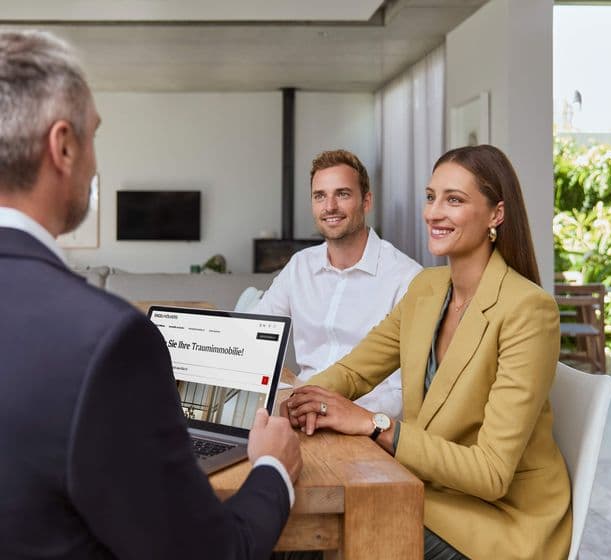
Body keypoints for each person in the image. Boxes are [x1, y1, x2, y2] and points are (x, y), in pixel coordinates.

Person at [0, 30, 301, 559]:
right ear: (63, 146)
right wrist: (275, 467)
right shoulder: (108, 340)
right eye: (94, 138)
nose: (95, 164)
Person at [285, 145, 573, 559]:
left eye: (454, 200)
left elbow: (491, 474)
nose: (433, 213)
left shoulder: (528, 310)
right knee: (290, 516)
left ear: (496, 214)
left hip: (498, 522)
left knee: (326, 530)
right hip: (429, 492)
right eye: (431, 196)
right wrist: (298, 401)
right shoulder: (427, 289)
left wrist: (372, 424)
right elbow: (354, 372)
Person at [251, 149, 421, 419]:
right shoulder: (300, 266)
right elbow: (255, 332)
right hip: (302, 412)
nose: (329, 206)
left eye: (342, 194)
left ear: (366, 202)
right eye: (320, 196)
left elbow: (405, 390)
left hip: (363, 426)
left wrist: (340, 414)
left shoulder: (407, 278)